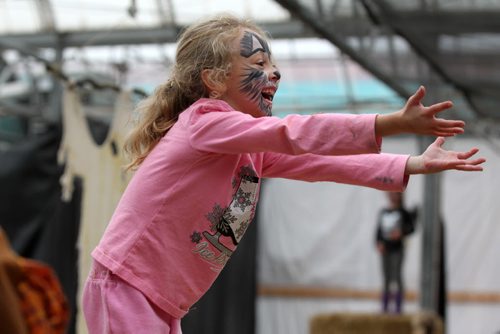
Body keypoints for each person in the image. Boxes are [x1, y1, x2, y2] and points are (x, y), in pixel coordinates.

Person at [81, 13, 485, 334]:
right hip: (127, 285)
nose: (274, 73)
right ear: (215, 80)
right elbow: (293, 133)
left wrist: (410, 164)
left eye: (273, 64)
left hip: (162, 298)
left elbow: (321, 163)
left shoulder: (249, 149)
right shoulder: (204, 122)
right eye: (258, 64)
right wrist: (385, 123)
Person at [375, 191, 417, 314]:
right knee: (386, 277)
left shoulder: (403, 212)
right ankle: (385, 306)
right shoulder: (383, 212)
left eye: (396, 194)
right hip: (386, 250)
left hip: (397, 249)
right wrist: (378, 243)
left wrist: (401, 233)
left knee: (397, 276)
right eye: (392, 194)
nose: (393, 196)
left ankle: (398, 307)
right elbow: (378, 231)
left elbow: (411, 228)